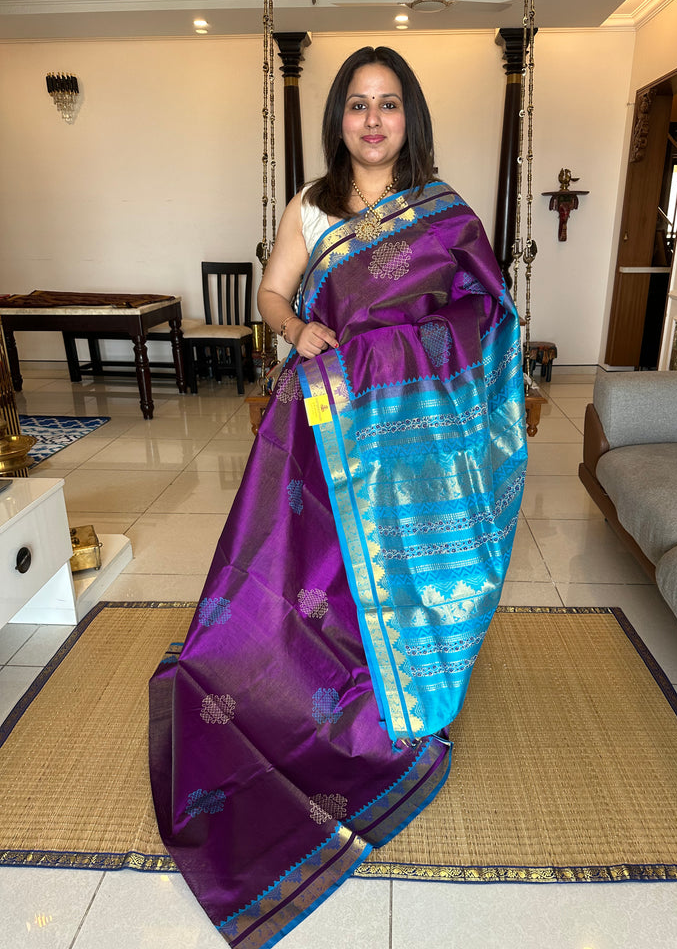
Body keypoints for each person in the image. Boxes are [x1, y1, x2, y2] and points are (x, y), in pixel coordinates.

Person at [149, 46, 527, 949]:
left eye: (388, 104)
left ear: (410, 116)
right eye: (357, 105)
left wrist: (406, 352)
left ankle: (397, 703)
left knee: (393, 577)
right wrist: (302, 327)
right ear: (338, 119)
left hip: (416, 445)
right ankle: (313, 698)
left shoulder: (446, 213)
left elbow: (489, 318)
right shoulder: (313, 209)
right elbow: (274, 300)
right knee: (314, 581)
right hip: (327, 427)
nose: (371, 120)